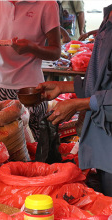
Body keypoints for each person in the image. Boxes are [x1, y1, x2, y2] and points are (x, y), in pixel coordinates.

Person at [36, 4, 112, 197]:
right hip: (105, 144)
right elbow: (103, 79)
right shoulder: (108, 17)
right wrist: (65, 87)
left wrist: (80, 104)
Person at [0, 1, 61, 147]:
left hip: (30, 92)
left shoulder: (47, 4)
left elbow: (56, 51)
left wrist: (32, 48)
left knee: (31, 149)